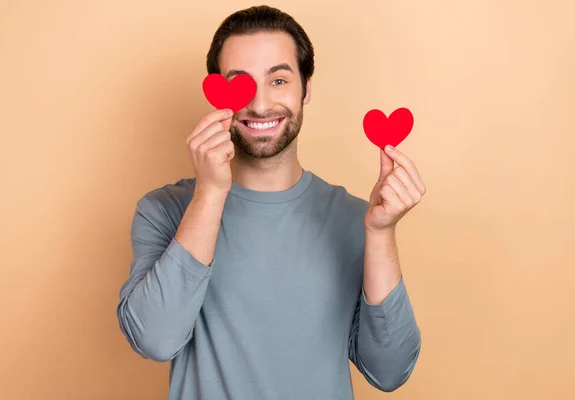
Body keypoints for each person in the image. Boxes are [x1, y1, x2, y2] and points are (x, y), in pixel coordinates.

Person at [116, 5, 426, 400]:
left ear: (306, 88)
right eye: (241, 83)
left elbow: (390, 371)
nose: (260, 106)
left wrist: (381, 233)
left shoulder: (353, 218)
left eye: (278, 80)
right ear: (216, 92)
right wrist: (210, 192)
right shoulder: (163, 210)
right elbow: (154, 339)